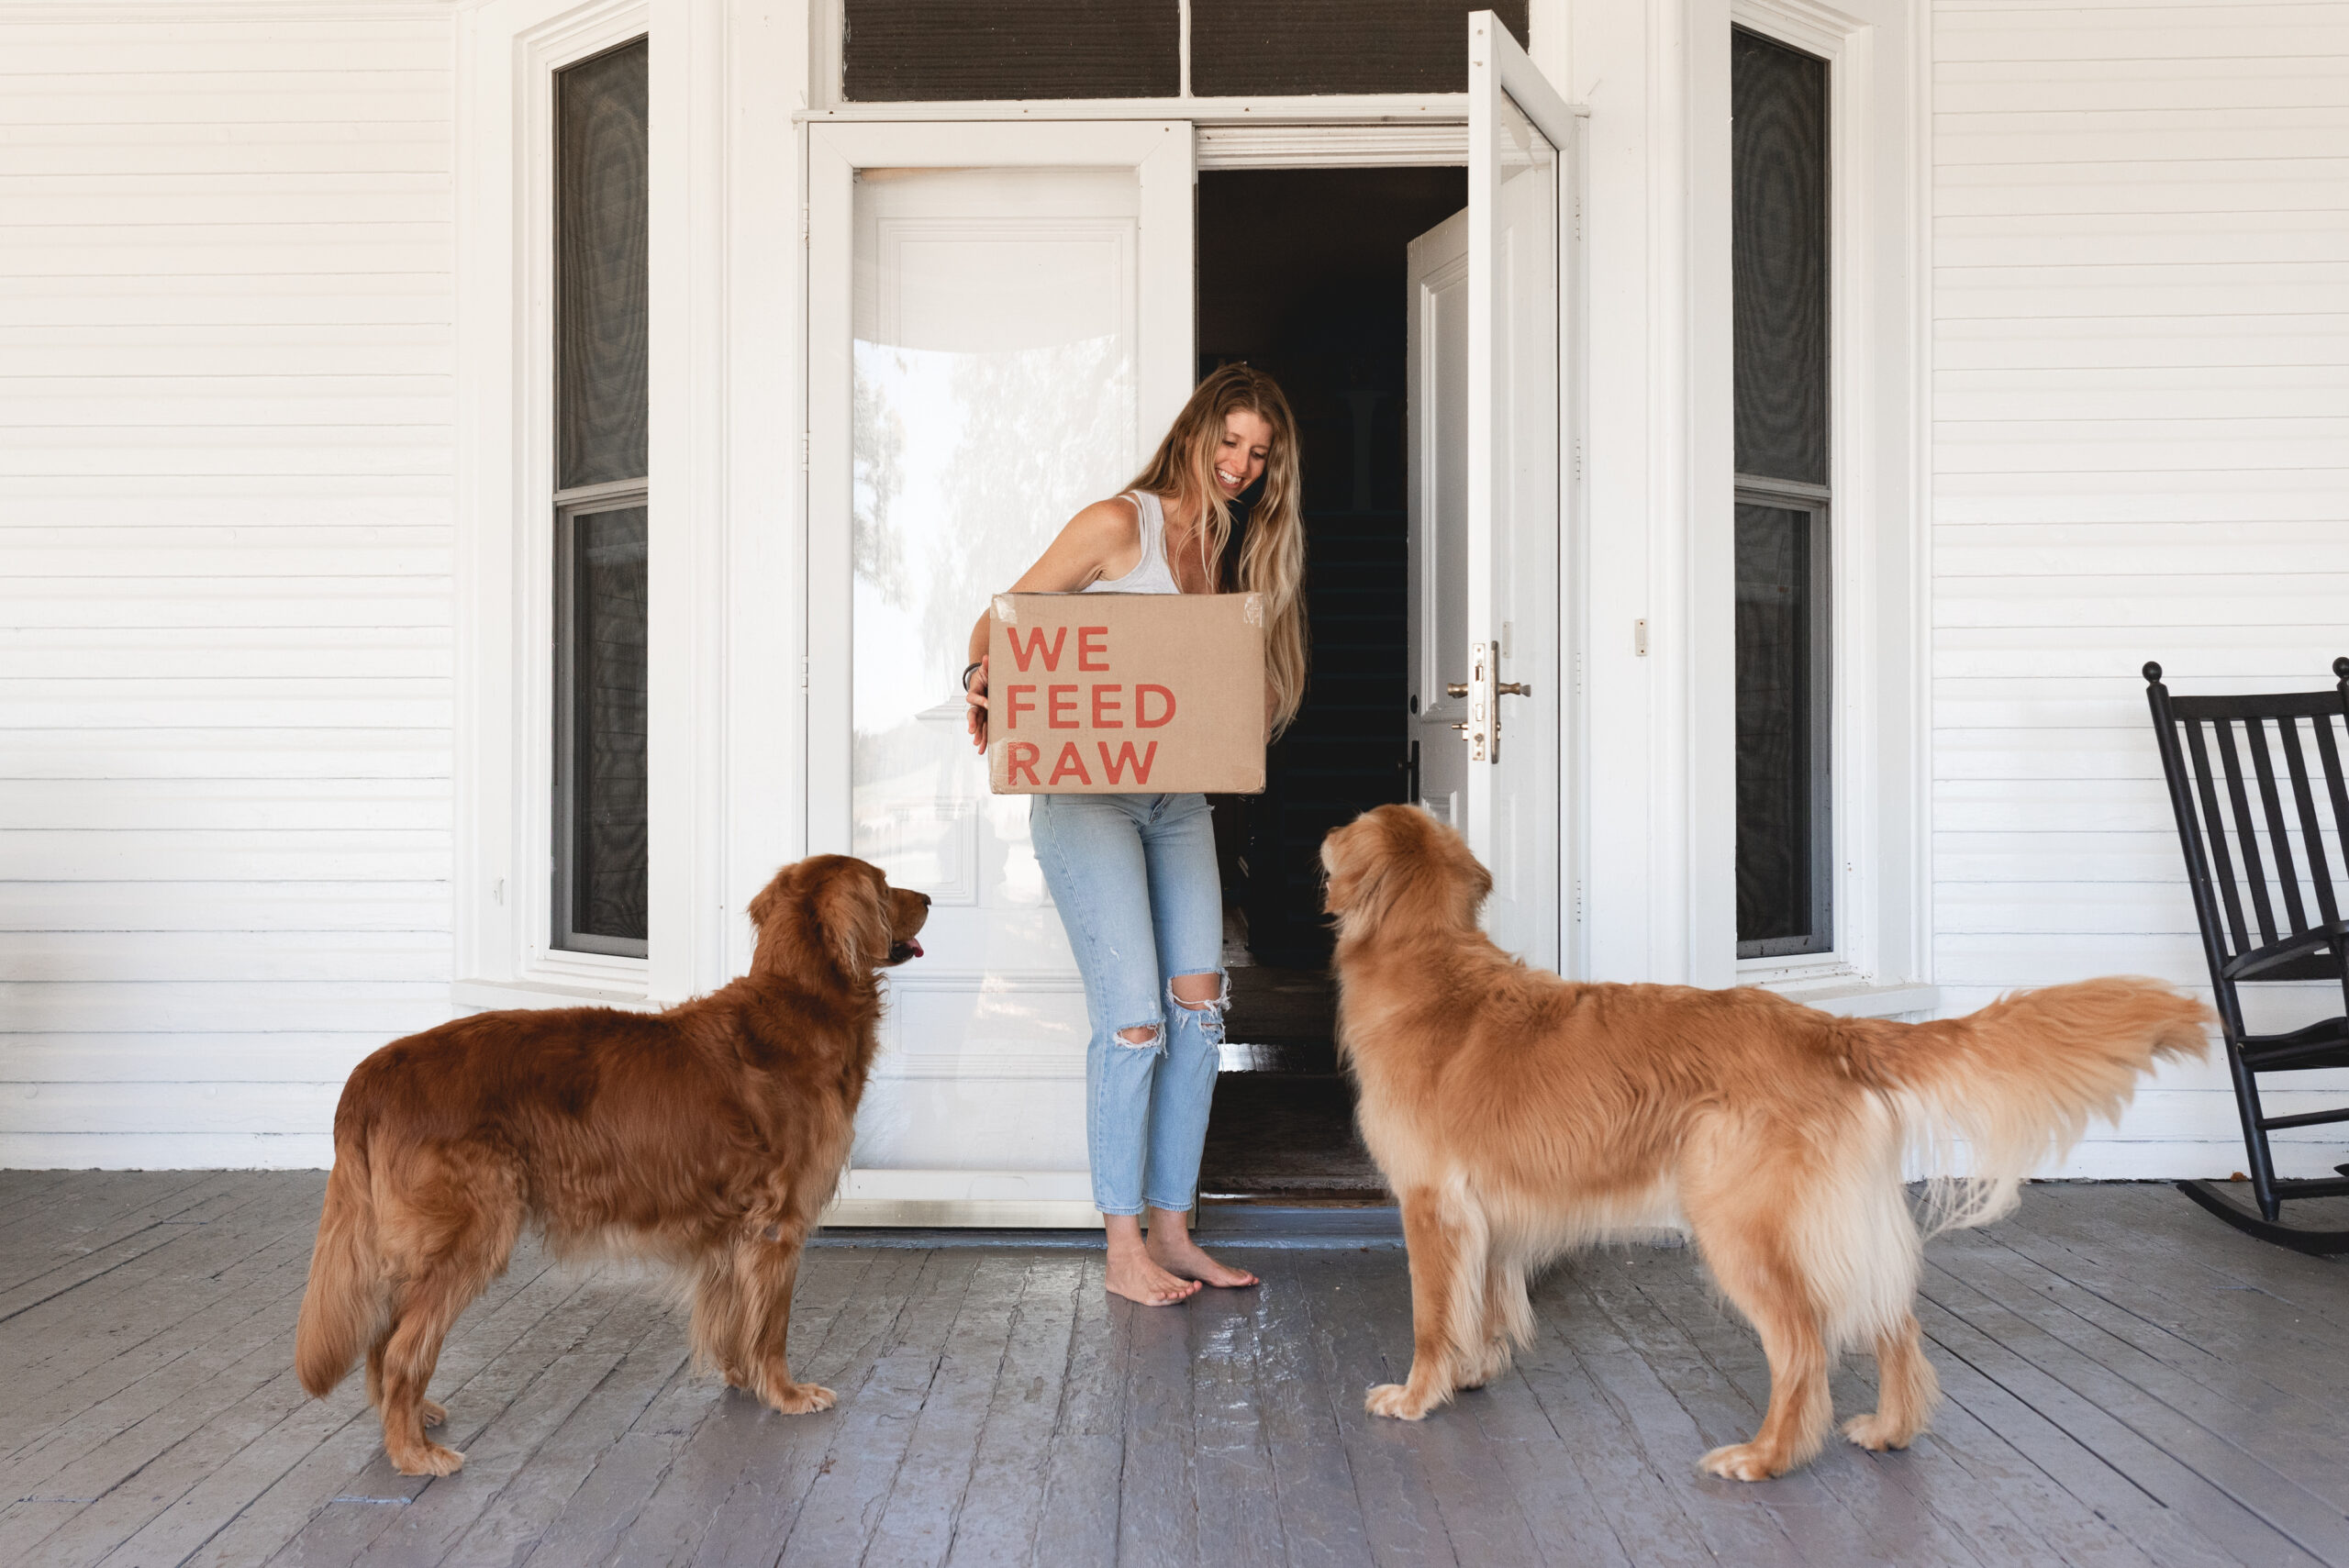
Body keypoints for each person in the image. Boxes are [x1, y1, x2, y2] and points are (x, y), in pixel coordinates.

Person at [962, 365, 1308, 1306]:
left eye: (1258, 454)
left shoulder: (1231, 551)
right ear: (1195, 433)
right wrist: (980, 678)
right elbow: (1002, 623)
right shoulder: (1121, 525)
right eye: (1228, 442)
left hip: (1175, 801)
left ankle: (1172, 1230)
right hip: (1088, 801)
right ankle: (1121, 1249)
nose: (1238, 465)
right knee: (1134, 1019)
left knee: (1199, 1012)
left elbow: (1218, 688)